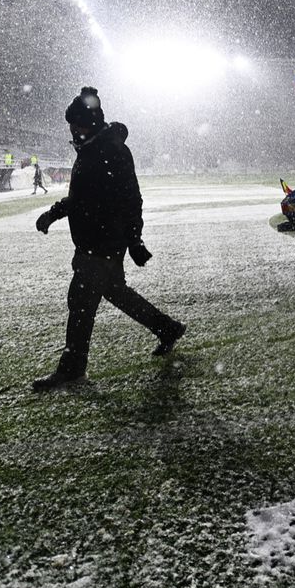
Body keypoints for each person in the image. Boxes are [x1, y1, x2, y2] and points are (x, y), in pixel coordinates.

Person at [32, 86, 186, 392]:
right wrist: (53, 213)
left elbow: (131, 199)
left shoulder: (111, 151)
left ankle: (72, 368)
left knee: (80, 302)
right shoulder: (92, 149)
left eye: (76, 125)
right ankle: (167, 328)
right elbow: (81, 198)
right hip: (97, 239)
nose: (72, 131)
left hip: (102, 241)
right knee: (116, 293)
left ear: (88, 123)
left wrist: (135, 240)